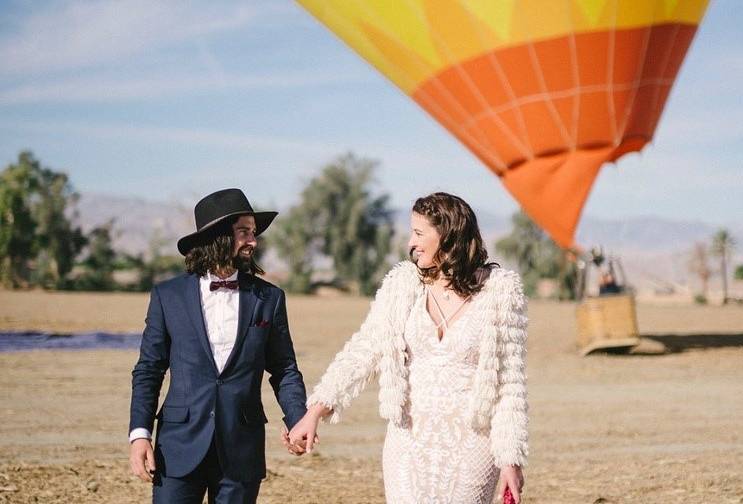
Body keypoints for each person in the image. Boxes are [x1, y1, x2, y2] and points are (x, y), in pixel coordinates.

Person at [286, 192, 529, 504]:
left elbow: (510, 383)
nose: (410, 244)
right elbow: (364, 350)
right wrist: (315, 410)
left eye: (418, 233)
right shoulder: (402, 284)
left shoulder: (500, 291)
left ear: (448, 233)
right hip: (408, 439)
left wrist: (511, 458)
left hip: (473, 445)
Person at [129, 188, 308, 503]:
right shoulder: (167, 296)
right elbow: (149, 370)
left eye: (253, 233)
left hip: (241, 450)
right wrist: (139, 434)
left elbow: (284, 368)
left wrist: (298, 420)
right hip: (177, 448)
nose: (252, 241)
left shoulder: (270, 298)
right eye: (244, 232)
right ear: (218, 236)